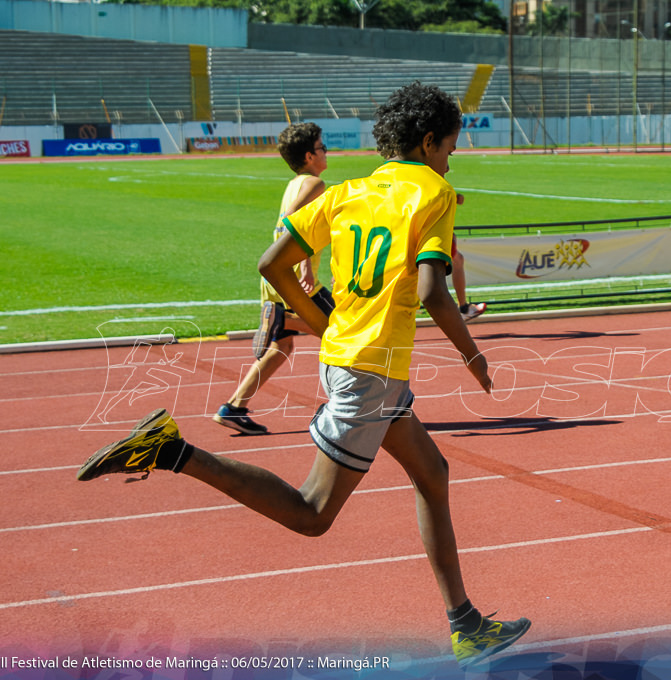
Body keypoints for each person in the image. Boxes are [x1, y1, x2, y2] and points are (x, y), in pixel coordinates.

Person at [77, 82, 530, 668]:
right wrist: (475, 358)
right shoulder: (435, 193)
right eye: (449, 147)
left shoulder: (346, 193)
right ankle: (171, 452)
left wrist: (322, 321)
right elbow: (433, 294)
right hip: (371, 370)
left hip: (355, 360)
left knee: (432, 472)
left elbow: (272, 264)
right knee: (312, 514)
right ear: (427, 141)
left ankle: (465, 624)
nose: (451, 158)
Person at [213, 122, 335, 435]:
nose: (327, 152)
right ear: (309, 155)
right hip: (294, 278)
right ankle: (352, 408)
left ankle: (234, 407)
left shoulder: (295, 182)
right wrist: (305, 264)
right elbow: (292, 222)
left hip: (277, 278)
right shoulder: (314, 185)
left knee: (281, 349)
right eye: (322, 147)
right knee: (343, 332)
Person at [449, 195, 486, 323]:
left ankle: (463, 308)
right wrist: (454, 197)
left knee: (457, 260)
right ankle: (460, 310)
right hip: (432, 230)